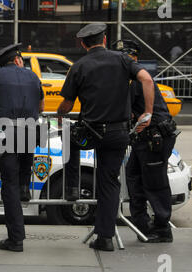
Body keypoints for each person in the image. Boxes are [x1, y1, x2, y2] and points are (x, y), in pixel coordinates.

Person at [57, 23, 154, 252]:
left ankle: (72, 186)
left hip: (90, 134)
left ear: (83, 43)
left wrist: (61, 114)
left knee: (70, 136)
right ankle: (105, 237)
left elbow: (67, 104)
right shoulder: (123, 60)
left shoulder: (79, 66)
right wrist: (147, 113)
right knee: (109, 183)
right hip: (118, 133)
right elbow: (147, 80)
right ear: (105, 39)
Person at [0, 43, 45, 252]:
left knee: (9, 185)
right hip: (30, 131)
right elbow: (41, 107)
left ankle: (16, 239)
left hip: (6, 133)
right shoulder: (32, 76)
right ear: (18, 60)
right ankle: (24, 187)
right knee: (22, 174)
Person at [115, 39, 178, 243]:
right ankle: (142, 225)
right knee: (134, 176)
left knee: (155, 184)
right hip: (146, 139)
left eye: (126, 57)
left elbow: (123, 111)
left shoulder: (137, 80)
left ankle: (162, 229)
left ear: (133, 58)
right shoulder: (132, 80)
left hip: (153, 138)